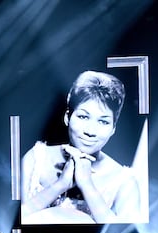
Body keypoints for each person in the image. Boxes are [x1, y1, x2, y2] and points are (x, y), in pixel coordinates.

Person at [21, 70, 142, 224]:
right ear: (67, 117)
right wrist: (61, 184)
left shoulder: (124, 181)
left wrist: (87, 185)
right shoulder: (36, 158)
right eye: (83, 116)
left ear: (113, 129)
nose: (91, 131)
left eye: (103, 121)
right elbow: (12, 225)